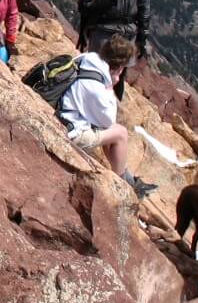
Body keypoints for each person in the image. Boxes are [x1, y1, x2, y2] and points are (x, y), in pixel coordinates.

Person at [59, 34, 157, 199]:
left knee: (109, 133)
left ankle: (126, 176)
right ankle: (119, 185)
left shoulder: (87, 58)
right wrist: (110, 86)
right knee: (120, 134)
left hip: (64, 112)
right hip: (72, 129)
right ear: (119, 66)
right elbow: (108, 119)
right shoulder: (97, 86)